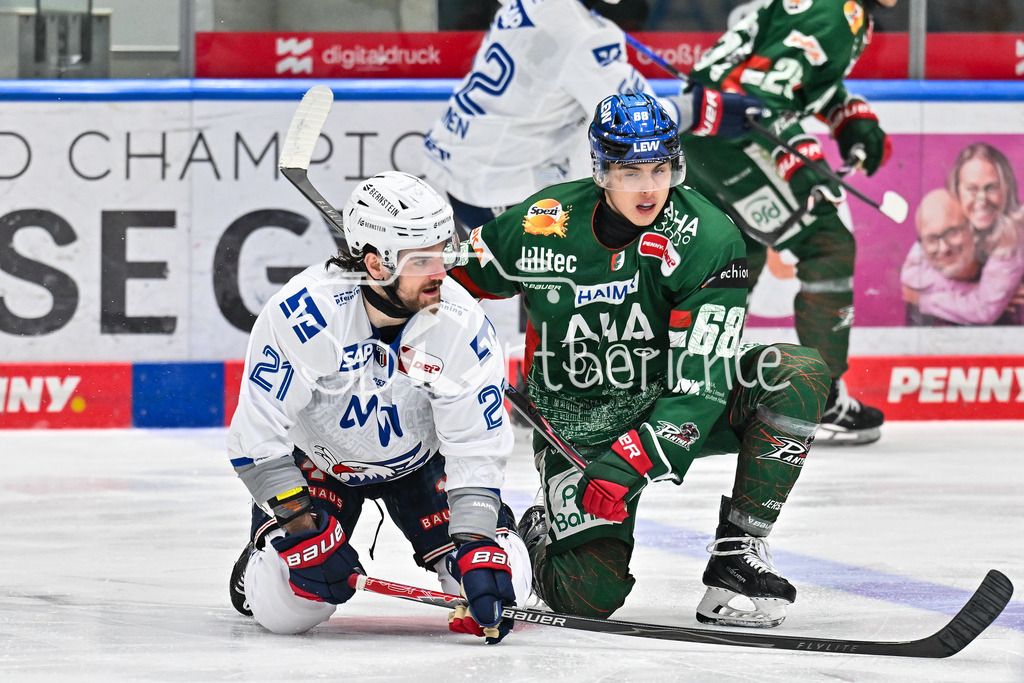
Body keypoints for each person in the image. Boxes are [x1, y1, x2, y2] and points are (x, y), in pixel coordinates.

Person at [450, 92, 831, 628]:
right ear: (602, 171)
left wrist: (637, 458)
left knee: (796, 375)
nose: (649, 187)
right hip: (575, 423)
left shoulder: (707, 236)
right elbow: (451, 281)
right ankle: (535, 533)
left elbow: (703, 375)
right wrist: (396, 287)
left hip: (667, 398)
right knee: (588, 598)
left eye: (660, 169)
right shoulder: (544, 220)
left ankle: (737, 552)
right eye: (630, 172)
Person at [226, 171, 530, 643]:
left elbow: (476, 443)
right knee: (288, 609)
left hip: (423, 465)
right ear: (375, 263)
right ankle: (261, 559)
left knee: (506, 584)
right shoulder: (308, 313)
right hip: (322, 464)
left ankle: (516, 540)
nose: (441, 272)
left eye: (444, 251)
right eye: (423, 259)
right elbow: (256, 432)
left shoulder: (462, 323)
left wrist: (476, 543)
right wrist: (300, 525)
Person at [676, 0, 900, 445]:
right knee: (827, 243)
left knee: (736, 254)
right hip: (735, 137)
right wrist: (800, 157)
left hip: (704, 129)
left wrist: (847, 116)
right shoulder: (836, 13)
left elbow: (791, 74)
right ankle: (819, 399)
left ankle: (693, 384)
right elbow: (762, 93)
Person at [422, 0, 763, 237]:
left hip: (460, 166)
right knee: (585, 265)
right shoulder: (587, 36)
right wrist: (703, 109)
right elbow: (641, 119)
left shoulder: (535, 4)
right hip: (500, 191)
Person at [901, 188, 1024, 325]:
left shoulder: (1006, 239)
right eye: (932, 239)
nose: (944, 247)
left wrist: (994, 294)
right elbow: (910, 278)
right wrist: (980, 292)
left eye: (953, 233)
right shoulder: (921, 257)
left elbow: (984, 311)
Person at [946, 142, 1024, 262]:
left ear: (1006, 190)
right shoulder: (938, 236)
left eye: (991, 188)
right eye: (972, 189)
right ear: (957, 191)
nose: (982, 200)